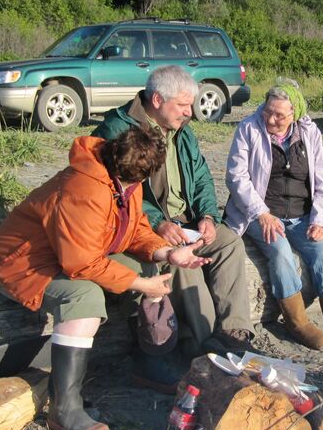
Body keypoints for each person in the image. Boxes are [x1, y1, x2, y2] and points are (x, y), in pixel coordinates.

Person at [0, 127, 210, 430]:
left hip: (67, 254)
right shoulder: (84, 187)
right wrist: (142, 287)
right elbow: (82, 263)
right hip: (21, 263)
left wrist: (168, 252)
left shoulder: (122, 180)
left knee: (146, 267)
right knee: (84, 297)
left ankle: (148, 360)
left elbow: (135, 229)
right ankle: (63, 407)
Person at [92, 65, 254, 356]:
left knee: (229, 242)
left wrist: (207, 216)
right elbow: (115, 192)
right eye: (182, 105)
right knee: (184, 264)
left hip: (186, 222)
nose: (190, 112)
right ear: (157, 101)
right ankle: (206, 345)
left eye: (190, 104)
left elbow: (202, 177)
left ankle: (234, 333)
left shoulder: (183, 133)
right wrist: (157, 223)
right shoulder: (118, 131)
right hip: (144, 228)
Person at [224, 82, 323, 351]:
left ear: (294, 114)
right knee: (282, 253)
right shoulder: (248, 129)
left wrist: (320, 220)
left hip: (302, 215)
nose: (271, 119)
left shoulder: (309, 132)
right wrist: (261, 213)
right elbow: (236, 177)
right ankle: (296, 322)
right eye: (267, 111)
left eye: (279, 115)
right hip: (259, 212)